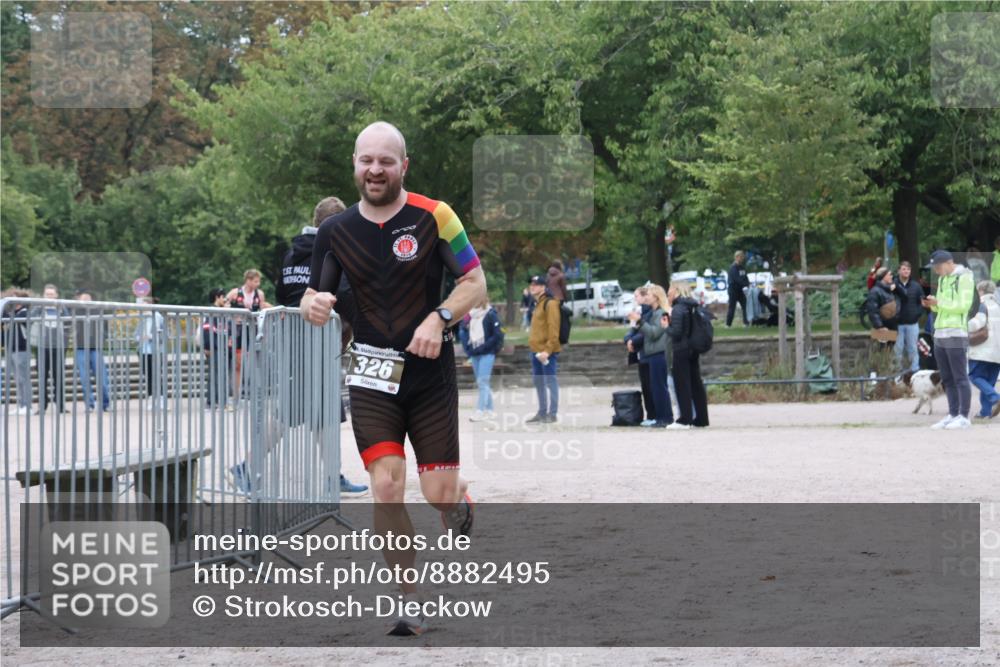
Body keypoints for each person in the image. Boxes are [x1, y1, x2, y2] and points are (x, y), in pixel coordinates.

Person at [300, 121, 487, 636]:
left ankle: (458, 496)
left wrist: (440, 318)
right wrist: (310, 305)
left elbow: (475, 282)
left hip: (429, 376)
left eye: (386, 161)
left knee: (437, 491)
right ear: (355, 165)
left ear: (404, 166)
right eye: (366, 160)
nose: (375, 169)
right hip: (370, 375)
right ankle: (408, 599)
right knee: (386, 486)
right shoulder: (334, 233)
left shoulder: (435, 216)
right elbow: (316, 297)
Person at [272, 196, 367, 496]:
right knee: (290, 413)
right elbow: (344, 293)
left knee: (325, 414)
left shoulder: (291, 254)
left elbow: (280, 292)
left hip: (294, 341)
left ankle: (332, 476)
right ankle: (247, 467)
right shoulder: (330, 253)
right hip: (317, 343)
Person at [923, 250, 975, 429]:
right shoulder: (943, 279)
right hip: (940, 332)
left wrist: (939, 304)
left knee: (960, 376)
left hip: (956, 332)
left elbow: (963, 306)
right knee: (946, 377)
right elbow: (942, 307)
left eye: (937, 267)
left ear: (948, 263)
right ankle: (952, 413)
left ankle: (964, 416)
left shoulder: (965, 278)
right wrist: (933, 304)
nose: (936, 271)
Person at [626, 284, 673, 427]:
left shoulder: (662, 313)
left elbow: (654, 333)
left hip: (659, 354)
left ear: (656, 297)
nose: (647, 297)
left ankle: (665, 417)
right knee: (655, 387)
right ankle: (660, 417)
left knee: (660, 387)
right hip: (652, 353)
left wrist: (639, 321)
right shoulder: (653, 313)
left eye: (650, 295)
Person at [664, 281, 709, 429]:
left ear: (676, 290)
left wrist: (666, 327)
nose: (668, 292)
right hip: (693, 349)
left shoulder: (678, 308)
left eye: (670, 289)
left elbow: (676, 333)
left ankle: (685, 419)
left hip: (681, 350)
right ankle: (701, 419)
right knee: (696, 384)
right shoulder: (692, 306)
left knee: (682, 384)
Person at [227, 269, 272, 403]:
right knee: (238, 364)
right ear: (248, 280)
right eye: (255, 281)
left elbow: (263, 306)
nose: (258, 284)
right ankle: (236, 396)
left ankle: (252, 393)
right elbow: (223, 304)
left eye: (259, 281)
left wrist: (277, 309)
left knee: (255, 362)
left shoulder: (260, 294)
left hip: (253, 330)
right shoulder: (235, 292)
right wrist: (234, 315)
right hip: (239, 331)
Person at [459, 298, 502, 421]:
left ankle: (480, 411)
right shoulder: (471, 314)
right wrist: (469, 348)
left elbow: (497, 334)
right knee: (482, 382)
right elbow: (462, 327)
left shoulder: (490, 313)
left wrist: (483, 347)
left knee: (482, 382)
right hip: (475, 352)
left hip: (487, 352)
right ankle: (490, 411)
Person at [527, 275, 561, 424]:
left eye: (536, 284)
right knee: (539, 382)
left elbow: (554, 329)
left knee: (550, 381)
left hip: (547, 352)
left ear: (543, 287)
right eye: (531, 284)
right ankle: (542, 412)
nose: (532, 286)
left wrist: (548, 350)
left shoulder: (550, 303)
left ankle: (552, 414)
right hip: (535, 350)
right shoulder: (538, 303)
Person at [31, 284, 69, 414]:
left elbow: (69, 322)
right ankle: (42, 406)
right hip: (42, 347)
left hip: (58, 346)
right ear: (43, 295)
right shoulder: (38, 308)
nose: (49, 296)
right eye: (47, 294)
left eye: (52, 294)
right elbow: (29, 319)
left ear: (56, 295)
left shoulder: (62, 307)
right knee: (42, 377)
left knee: (58, 377)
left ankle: (61, 405)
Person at [73, 289, 111, 412]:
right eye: (83, 299)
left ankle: (106, 403)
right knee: (84, 377)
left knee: (102, 378)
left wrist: (102, 339)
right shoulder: (75, 310)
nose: (85, 301)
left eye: (87, 298)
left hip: (95, 347)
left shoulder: (98, 310)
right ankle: (89, 404)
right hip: (81, 347)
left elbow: (105, 329)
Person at [968, 280, 1000, 419]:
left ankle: (995, 398)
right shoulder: (998, 305)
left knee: (975, 377)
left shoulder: (982, 305)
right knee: (989, 382)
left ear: (981, 291)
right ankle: (985, 412)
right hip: (997, 352)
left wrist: (963, 324)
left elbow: (977, 323)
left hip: (983, 350)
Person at [623, 288, 655, 424]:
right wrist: (629, 339)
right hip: (641, 355)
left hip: (649, 353)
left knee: (652, 386)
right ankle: (650, 415)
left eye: (637, 296)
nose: (635, 299)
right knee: (646, 386)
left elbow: (645, 332)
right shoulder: (639, 312)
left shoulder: (650, 313)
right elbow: (632, 330)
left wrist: (633, 340)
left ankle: (654, 415)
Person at [1, 289, 32, 415]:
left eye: (14, 298)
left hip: (22, 349)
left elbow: (13, 319)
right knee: (17, 379)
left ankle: (27, 405)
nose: (11, 301)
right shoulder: (12, 313)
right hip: (11, 349)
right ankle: (21, 404)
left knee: (24, 378)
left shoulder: (24, 312)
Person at [134, 296, 165, 411]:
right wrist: (139, 338)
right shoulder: (142, 318)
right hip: (144, 350)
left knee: (157, 375)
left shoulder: (158, 317)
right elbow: (135, 335)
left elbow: (164, 334)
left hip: (155, 350)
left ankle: (161, 400)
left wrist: (150, 336)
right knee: (148, 376)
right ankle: (151, 399)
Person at [202, 288, 232, 410]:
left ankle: (218, 402)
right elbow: (206, 329)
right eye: (222, 297)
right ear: (217, 297)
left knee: (221, 375)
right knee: (216, 375)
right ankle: (215, 402)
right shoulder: (212, 311)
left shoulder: (221, 311)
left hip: (222, 347)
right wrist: (208, 346)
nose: (224, 299)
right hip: (215, 347)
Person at [893, 261, 926, 373]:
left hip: (912, 324)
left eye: (908, 269)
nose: (906, 271)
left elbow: (922, 302)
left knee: (912, 349)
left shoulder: (916, 286)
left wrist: (917, 313)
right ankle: (898, 374)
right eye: (903, 269)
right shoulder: (893, 285)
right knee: (897, 350)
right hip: (897, 324)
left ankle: (914, 372)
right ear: (899, 271)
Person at [867, 267, 900, 336]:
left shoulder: (890, 290)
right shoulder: (874, 291)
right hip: (882, 329)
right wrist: (880, 326)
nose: (892, 276)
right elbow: (872, 311)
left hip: (893, 327)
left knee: (892, 346)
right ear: (884, 276)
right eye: (889, 274)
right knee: (883, 346)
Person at [726, 250, 750, 327]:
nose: (742, 258)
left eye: (743, 257)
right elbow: (737, 279)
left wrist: (748, 283)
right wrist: (745, 284)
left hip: (740, 290)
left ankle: (746, 323)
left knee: (745, 305)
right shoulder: (733, 268)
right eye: (741, 257)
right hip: (733, 290)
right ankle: (728, 324)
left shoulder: (742, 268)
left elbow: (745, 277)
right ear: (736, 257)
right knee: (732, 307)